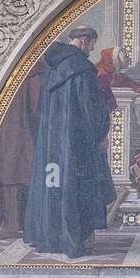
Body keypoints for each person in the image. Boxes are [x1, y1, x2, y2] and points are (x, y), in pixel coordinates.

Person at [23, 26, 116, 258]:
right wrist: (100, 135)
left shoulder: (53, 69)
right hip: (78, 143)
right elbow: (90, 109)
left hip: (52, 144)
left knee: (54, 185)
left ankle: (51, 238)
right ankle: (75, 241)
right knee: (78, 188)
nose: (94, 48)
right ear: (84, 41)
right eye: (93, 43)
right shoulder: (82, 69)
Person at [0, 59, 46, 241]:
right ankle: (16, 225)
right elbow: (38, 108)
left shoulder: (9, 71)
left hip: (8, 135)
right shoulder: (38, 75)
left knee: (10, 177)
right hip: (23, 136)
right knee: (20, 177)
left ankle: (8, 225)